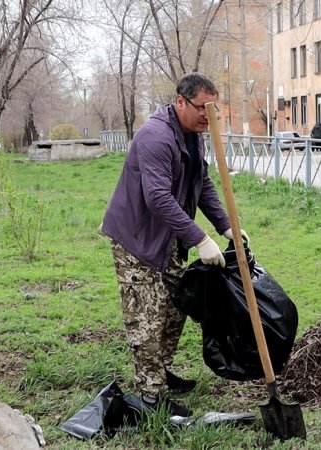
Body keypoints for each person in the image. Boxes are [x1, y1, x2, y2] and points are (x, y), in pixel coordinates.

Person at [101, 72, 247, 417]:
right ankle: (150, 398)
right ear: (181, 101)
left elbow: (202, 183)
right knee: (147, 318)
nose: (208, 117)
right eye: (202, 108)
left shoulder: (194, 136)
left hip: (167, 239)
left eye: (213, 110)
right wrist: (200, 238)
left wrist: (226, 226)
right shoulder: (155, 137)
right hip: (137, 240)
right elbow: (157, 198)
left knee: (179, 303)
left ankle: (160, 372)